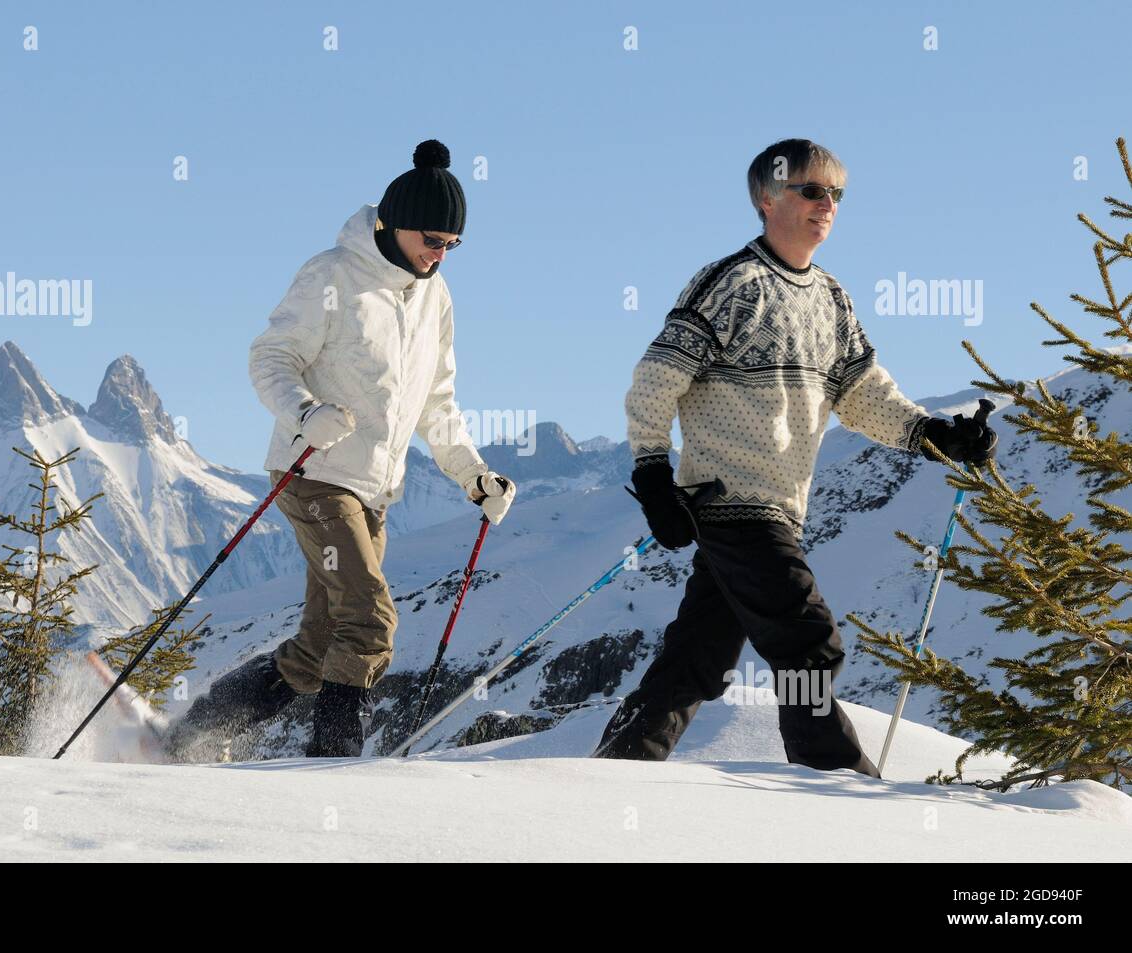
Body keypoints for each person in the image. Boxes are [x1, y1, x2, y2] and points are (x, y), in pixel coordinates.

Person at [594, 138, 996, 777]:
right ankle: (834, 776)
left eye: (836, 193)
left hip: (781, 507)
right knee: (809, 644)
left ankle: (614, 768)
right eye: (811, 190)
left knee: (697, 657)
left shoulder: (831, 298)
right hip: (731, 503)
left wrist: (934, 435)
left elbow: (864, 394)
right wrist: (651, 475)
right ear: (766, 198)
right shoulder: (731, 283)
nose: (826, 204)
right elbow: (655, 381)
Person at [167, 139, 516, 761]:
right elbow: (270, 357)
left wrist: (474, 475)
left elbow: (438, 402)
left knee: (316, 647)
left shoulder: (435, 298)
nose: (440, 255)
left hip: (373, 489)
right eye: (432, 240)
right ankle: (333, 765)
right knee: (369, 617)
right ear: (396, 223)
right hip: (315, 473)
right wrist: (306, 414)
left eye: (451, 246)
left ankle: (190, 736)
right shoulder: (333, 274)